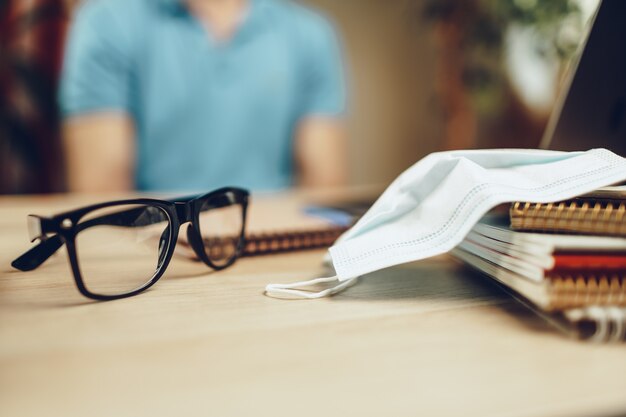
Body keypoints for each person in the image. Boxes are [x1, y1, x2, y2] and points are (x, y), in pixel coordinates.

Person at [60, 0, 347, 192]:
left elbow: (323, 183)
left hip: (273, 247)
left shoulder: (311, 34)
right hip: (156, 250)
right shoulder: (107, 22)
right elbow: (102, 192)